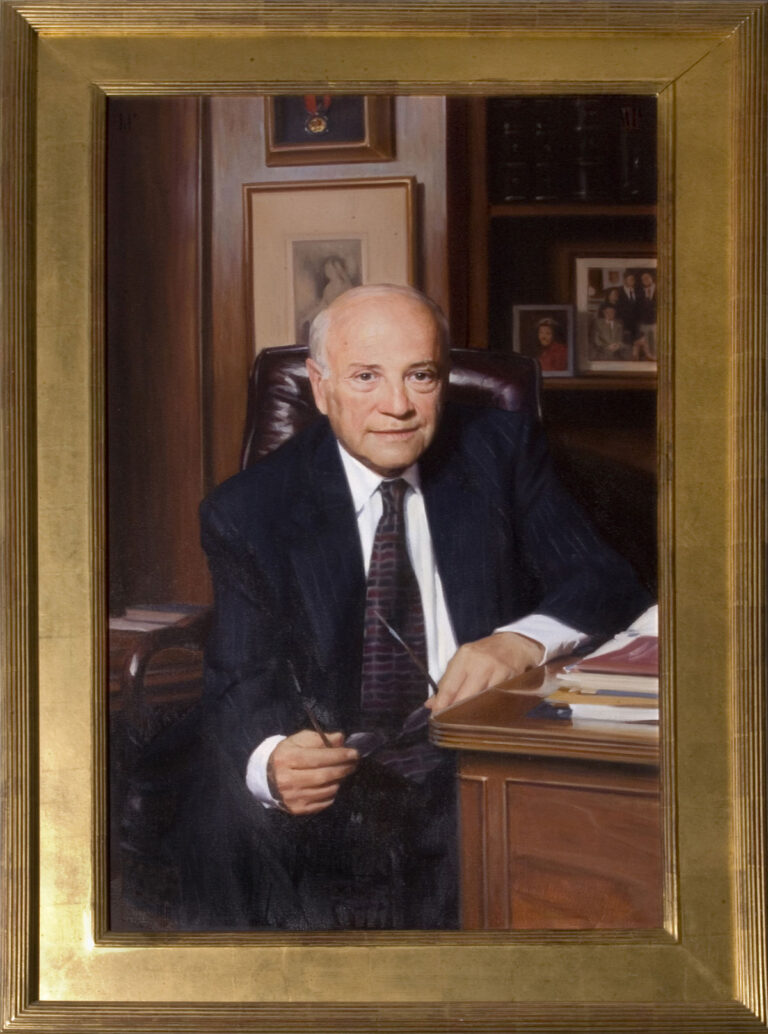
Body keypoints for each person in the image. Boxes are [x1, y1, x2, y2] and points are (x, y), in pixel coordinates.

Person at [169, 284, 651, 931]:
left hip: (468, 752)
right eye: (366, 377)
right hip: (344, 766)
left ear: (443, 379)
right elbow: (240, 676)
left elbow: (605, 580)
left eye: (419, 376)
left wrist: (520, 641)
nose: (397, 406)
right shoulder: (250, 509)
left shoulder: (500, 450)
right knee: (218, 818)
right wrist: (272, 757)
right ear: (319, 386)